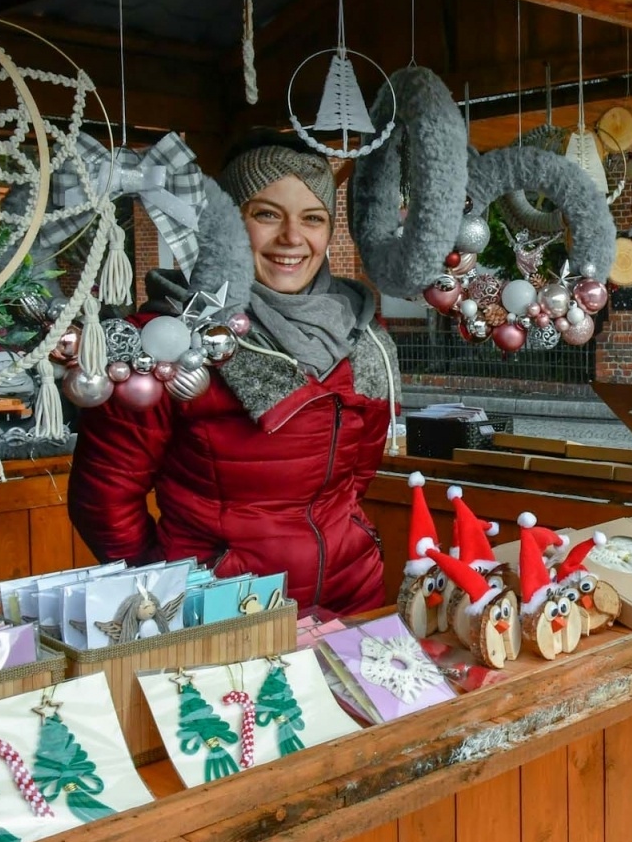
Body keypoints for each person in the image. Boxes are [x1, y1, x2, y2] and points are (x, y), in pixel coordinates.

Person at [68, 131, 398, 615]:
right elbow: (104, 499)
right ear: (228, 225)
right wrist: (159, 588)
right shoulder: (167, 343)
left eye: (313, 219)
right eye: (266, 214)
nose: (292, 238)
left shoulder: (364, 337)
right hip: (223, 612)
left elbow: (357, 477)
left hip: (351, 596)